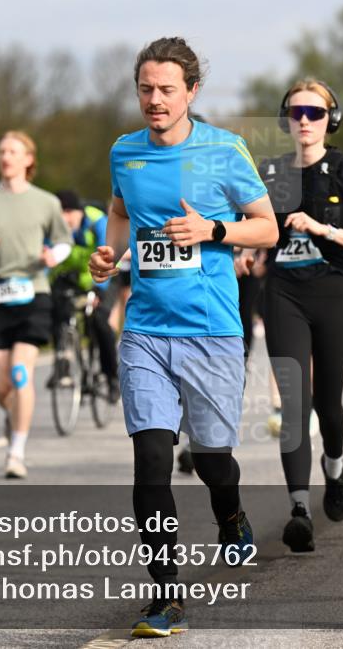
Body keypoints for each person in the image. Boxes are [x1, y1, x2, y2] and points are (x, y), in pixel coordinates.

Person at [88, 37, 277, 638]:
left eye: (167, 89)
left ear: (192, 91)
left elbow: (267, 228)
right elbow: (119, 211)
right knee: (150, 463)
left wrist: (211, 229)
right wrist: (110, 252)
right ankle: (166, 597)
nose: (155, 99)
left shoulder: (225, 150)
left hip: (212, 331)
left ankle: (232, 514)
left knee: (215, 459)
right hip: (145, 330)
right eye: (145, 88)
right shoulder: (125, 152)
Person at [254, 78, 343, 553]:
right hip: (283, 292)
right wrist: (248, 253)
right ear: (286, 118)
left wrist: (322, 227)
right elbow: (257, 226)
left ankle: (336, 465)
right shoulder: (270, 171)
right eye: (297, 113)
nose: (305, 121)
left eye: (315, 113)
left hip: (332, 293)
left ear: (331, 119)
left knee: (328, 402)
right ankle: (300, 509)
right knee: (293, 405)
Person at [0, 130, 72, 478]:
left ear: (28, 159)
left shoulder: (46, 202)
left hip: (33, 293)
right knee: (1, 383)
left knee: (21, 373)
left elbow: (64, 242)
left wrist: (53, 254)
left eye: (13, 151)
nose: (6, 156)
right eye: (1, 151)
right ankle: (15, 416)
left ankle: (16, 453)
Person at [48, 190, 119, 401]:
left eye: (68, 212)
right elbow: (46, 258)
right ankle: (63, 363)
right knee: (54, 309)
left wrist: (99, 289)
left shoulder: (97, 222)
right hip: (70, 279)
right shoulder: (54, 227)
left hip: (102, 278)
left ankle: (111, 376)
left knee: (99, 321)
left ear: (78, 212)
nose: (64, 219)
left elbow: (109, 255)